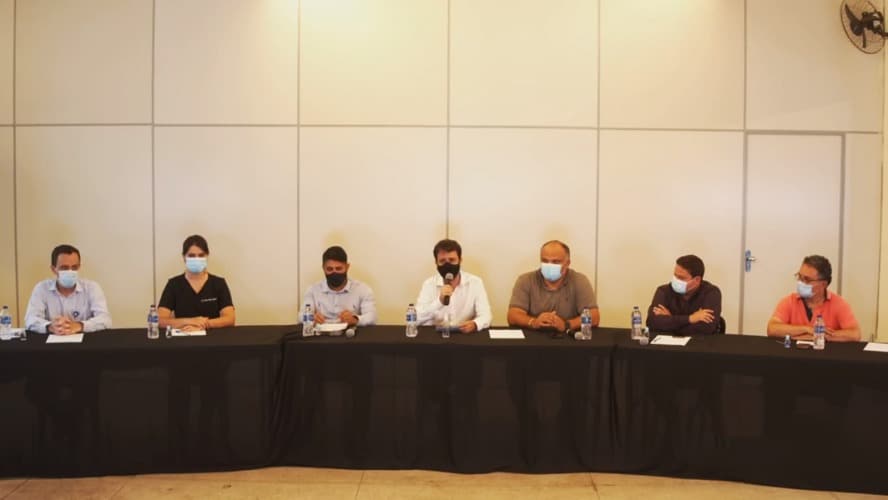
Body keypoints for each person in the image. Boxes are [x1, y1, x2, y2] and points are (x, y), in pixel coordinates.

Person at [507, 240, 599, 334]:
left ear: (567, 263)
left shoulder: (579, 280)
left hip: (568, 338)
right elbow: (513, 316)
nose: (549, 265)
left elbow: (594, 316)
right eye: (545, 261)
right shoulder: (526, 280)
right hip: (533, 338)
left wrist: (566, 325)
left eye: (556, 262)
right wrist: (534, 322)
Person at [767, 255, 860, 342]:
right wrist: (806, 329)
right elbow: (772, 329)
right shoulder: (789, 301)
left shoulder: (838, 303)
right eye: (800, 277)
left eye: (807, 280)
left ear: (823, 284)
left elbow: (855, 334)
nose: (801, 283)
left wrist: (817, 336)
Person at [24, 244, 112, 334]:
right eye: (64, 268)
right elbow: (30, 319)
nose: (70, 271)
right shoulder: (42, 288)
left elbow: (105, 319)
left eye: (74, 267)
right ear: (53, 269)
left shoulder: (92, 288)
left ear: (79, 267)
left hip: (85, 340)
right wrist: (50, 327)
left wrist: (79, 325)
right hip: (52, 340)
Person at [158, 235, 235, 331]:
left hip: (213, 338)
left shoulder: (219, 283)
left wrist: (204, 324)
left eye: (201, 255)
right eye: (191, 256)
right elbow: (160, 320)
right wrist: (191, 321)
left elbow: (230, 318)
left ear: (207, 256)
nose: (196, 259)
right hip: (183, 337)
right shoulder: (173, 284)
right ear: (184, 257)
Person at [416, 239, 492, 332]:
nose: (447, 265)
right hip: (437, 335)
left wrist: (475, 324)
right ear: (436, 263)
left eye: (452, 260)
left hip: (465, 335)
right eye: (442, 261)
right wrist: (439, 302)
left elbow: (486, 315)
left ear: (460, 260)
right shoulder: (429, 284)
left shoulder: (475, 282)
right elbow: (416, 319)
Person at [647, 254, 722, 335]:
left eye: (681, 278)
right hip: (666, 342)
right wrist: (690, 319)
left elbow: (705, 328)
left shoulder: (711, 293)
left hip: (699, 342)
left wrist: (670, 319)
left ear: (697, 280)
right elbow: (652, 322)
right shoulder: (663, 291)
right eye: (675, 276)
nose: (676, 280)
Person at [303, 245, 377, 327]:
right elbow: (301, 316)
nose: (334, 273)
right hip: (321, 334)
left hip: (350, 333)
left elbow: (372, 317)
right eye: (330, 269)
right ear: (323, 268)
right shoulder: (313, 290)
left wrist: (355, 319)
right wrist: (311, 318)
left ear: (347, 267)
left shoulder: (363, 290)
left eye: (338, 269)